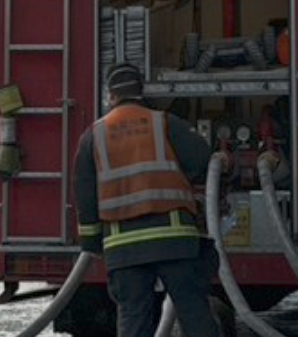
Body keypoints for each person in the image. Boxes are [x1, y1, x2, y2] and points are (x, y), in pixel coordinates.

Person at [73, 62, 219, 337]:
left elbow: (85, 195)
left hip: (123, 248)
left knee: (132, 320)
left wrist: (91, 243)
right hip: (175, 241)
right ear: (142, 91)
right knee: (194, 313)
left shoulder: (93, 136)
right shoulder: (164, 123)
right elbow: (202, 161)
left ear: (110, 95)